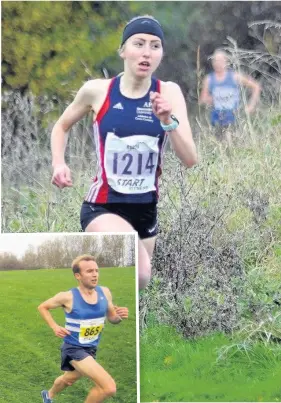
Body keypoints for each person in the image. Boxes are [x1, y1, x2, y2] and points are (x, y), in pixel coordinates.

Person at [51, 15, 198, 289]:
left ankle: (89, 303)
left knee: (134, 287)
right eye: (139, 44)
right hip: (102, 206)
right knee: (140, 272)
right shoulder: (98, 91)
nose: (146, 52)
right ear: (123, 51)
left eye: (155, 46)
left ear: (161, 54)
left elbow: (190, 159)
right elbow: (61, 126)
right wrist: (59, 163)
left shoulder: (169, 93)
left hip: (145, 208)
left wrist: (168, 122)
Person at [38, 255, 129, 403]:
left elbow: (112, 318)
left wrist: (119, 316)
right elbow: (43, 307)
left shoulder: (105, 292)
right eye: (89, 271)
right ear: (78, 275)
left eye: (96, 270)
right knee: (108, 387)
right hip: (73, 348)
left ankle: (48, 395)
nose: (95, 274)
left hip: (91, 348)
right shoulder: (67, 296)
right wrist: (54, 327)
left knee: (68, 379)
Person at [199, 49, 261, 146]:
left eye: (220, 60)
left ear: (226, 61)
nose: (217, 63)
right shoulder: (209, 79)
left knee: (234, 143)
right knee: (219, 145)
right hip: (216, 118)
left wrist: (251, 106)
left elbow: (256, 86)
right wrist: (213, 99)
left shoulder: (235, 76)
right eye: (215, 60)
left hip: (234, 117)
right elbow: (202, 99)